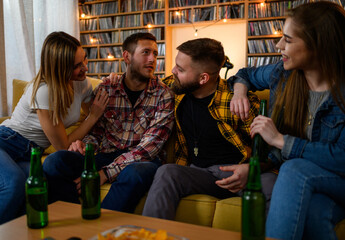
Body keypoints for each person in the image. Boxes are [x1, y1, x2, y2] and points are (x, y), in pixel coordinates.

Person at [228, 2, 345, 239]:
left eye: (288, 40)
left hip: (339, 180)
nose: (278, 45)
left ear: (319, 45)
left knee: (292, 168)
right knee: (314, 212)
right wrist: (239, 93)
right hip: (313, 185)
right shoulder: (282, 74)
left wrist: (282, 141)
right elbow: (244, 74)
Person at [142, 38, 277, 220]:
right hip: (200, 173)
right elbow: (141, 82)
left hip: (238, 174)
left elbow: (269, 153)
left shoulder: (236, 102)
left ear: (203, 78)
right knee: (167, 172)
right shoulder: (176, 90)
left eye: (180, 69)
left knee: (273, 185)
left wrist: (250, 170)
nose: (173, 71)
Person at [0, 31, 108, 230]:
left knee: (42, 186)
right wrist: (93, 117)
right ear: (59, 68)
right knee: (13, 185)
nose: (85, 68)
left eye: (84, 58)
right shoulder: (44, 90)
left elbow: (101, 102)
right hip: (0, 144)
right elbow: (62, 146)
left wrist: (112, 82)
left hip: (29, 153)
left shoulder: (80, 83)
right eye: (76, 66)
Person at [43, 32, 174, 213]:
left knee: (135, 174)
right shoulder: (107, 88)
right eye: (145, 52)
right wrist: (83, 145)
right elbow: (97, 132)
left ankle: (101, 230)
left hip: (141, 160)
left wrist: (106, 173)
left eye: (155, 53)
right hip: (104, 154)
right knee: (54, 161)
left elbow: (150, 147)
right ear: (127, 56)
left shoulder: (164, 94)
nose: (152, 59)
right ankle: (72, 219)